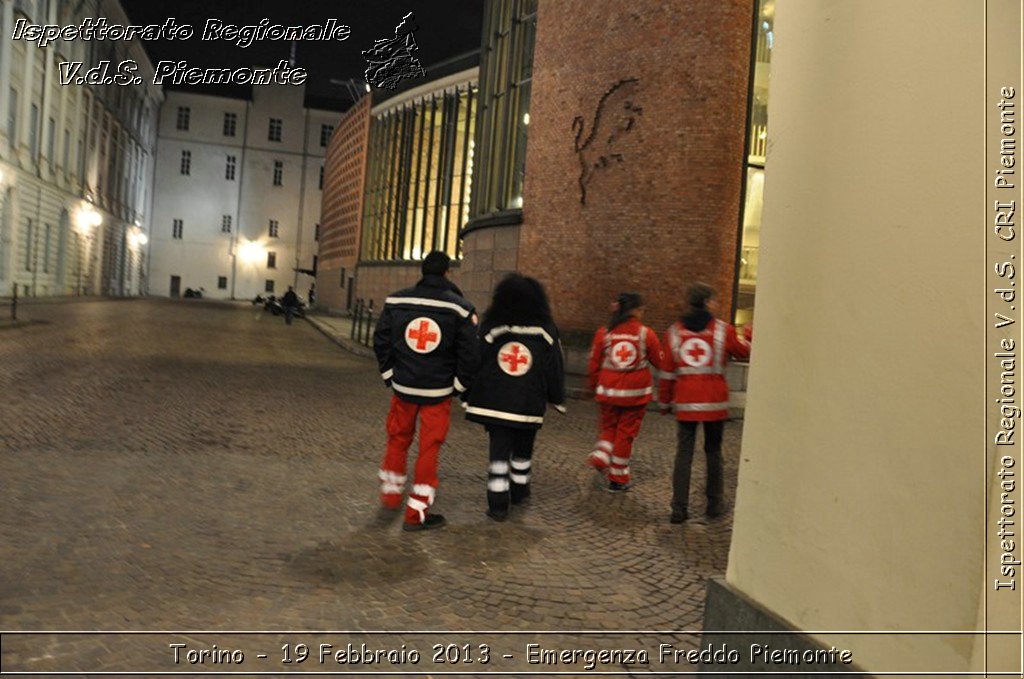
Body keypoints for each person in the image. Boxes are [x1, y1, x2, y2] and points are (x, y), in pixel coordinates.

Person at [373, 251, 479, 531]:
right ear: (447, 273)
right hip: (438, 391)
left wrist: (389, 374)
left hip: (404, 386)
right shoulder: (461, 308)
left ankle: (392, 494)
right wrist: (458, 385)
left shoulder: (396, 301)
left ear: (423, 271)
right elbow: (470, 353)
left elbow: (381, 339)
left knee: (397, 438)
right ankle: (416, 513)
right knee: (428, 448)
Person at [464, 274, 567, 521]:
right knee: (523, 450)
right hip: (528, 403)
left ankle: (497, 504)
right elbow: (555, 367)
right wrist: (557, 397)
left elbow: (475, 360)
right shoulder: (546, 330)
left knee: (498, 454)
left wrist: (468, 394)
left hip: (495, 403)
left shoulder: (492, 327)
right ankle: (520, 491)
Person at [659, 282, 751, 522]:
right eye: (715, 300)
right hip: (715, 404)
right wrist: (749, 334)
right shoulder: (723, 330)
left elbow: (667, 372)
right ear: (708, 302)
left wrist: (665, 402)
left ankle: (679, 508)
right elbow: (743, 350)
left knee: (684, 454)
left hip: (686, 403)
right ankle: (714, 503)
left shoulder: (674, 332)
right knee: (713, 453)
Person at [586, 292, 669, 491]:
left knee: (608, 427)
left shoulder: (604, 333)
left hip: (608, 391)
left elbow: (594, 364)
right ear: (637, 311)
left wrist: (593, 387)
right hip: (635, 395)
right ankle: (618, 477)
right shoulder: (645, 334)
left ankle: (601, 455)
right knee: (625, 434)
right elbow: (660, 362)